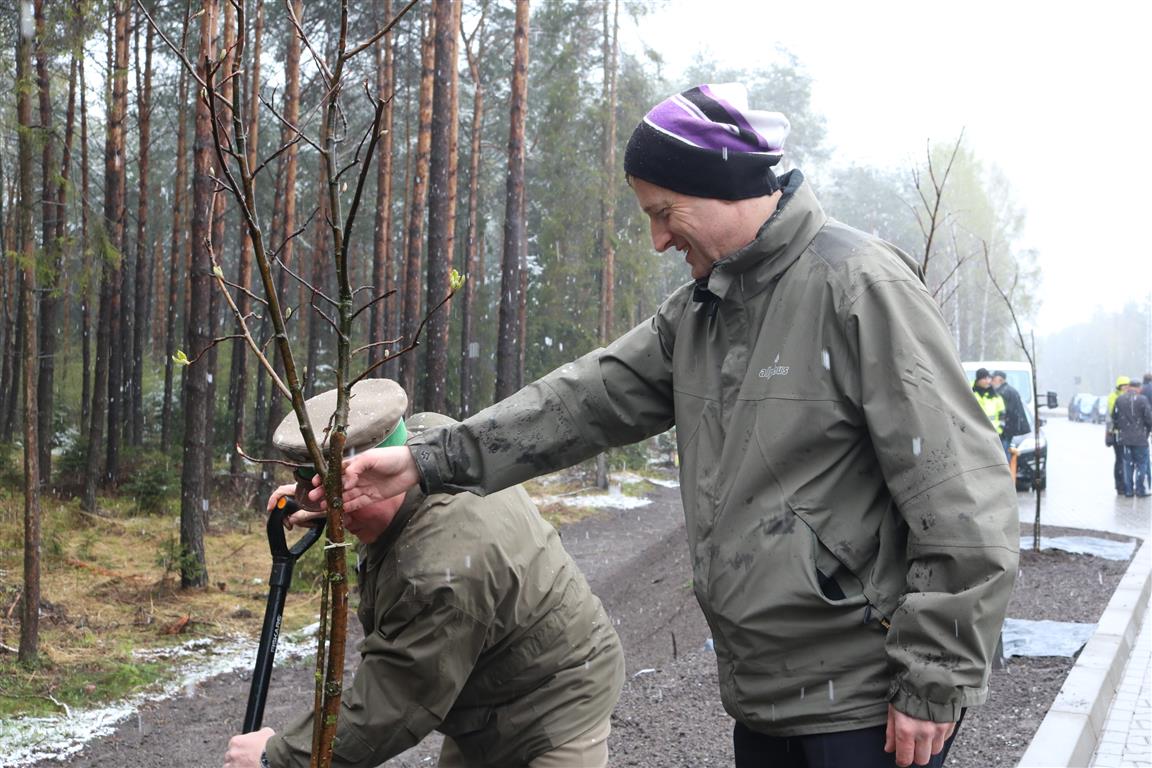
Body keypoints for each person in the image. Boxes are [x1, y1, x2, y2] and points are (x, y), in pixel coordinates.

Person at [310, 84, 1018, 768]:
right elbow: (577, 403)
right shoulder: (704, 312)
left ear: (724, 186)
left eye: (664, 211)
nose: (655, 240)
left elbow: (960, 488)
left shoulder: (857, 285)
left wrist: (934, 674)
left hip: (862, 700)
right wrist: (425, 461)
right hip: (767, 699)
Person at [224, 380, 624, 768]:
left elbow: (390, 706)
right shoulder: (433, 444)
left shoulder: (438, 574)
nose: (337, 514)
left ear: (371, 474)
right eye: (325, 497)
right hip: (483, 702)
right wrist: (318, 502)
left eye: (342, 498)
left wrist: (277, 758)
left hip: (562, 696)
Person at [1112, 377, 1152, 497]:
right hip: (1140, 439)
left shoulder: (1120, 399)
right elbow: (1149, 418)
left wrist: (1120, 428)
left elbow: (1114, 417)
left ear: (1129, 387)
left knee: (1127, 465)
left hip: (1124, 439)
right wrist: (1147, 430)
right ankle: (1140, 490)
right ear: (1139, 388)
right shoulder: (1142, 400)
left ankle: (1128, 490)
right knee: (1141, 464)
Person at [992, 370, 1030, 453]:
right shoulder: (1010, 390)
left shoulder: (1003, 392)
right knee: (1006, 451)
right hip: (1010, 429)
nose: (992, 382)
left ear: (1001, 380)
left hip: (1005, 430)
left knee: (1003, 453)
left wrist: (1002, 427)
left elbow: (1006, 412)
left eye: (994, 380)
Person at [972, 369, 1008, 457]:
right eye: (985, 378)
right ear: (978, 380)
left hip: (994, 435)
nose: (988, 381)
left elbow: (1002, 415)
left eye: (988, 378)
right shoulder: (971, 394)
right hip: (976, 435)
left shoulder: (996, 396)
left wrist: (999, 431)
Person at [1106, 375, 1131, 494]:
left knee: (1126, 460)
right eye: (1124, 386)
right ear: (1119, 386)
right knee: (1120, 460)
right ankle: (1120, 485)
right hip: (1117, 433)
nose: (1126, 388)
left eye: (1128, 385)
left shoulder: (1128, 397)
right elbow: (1112, 415)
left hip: (1127, 433)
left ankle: (1126, 484)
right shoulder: (1114, 397)